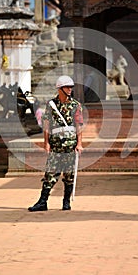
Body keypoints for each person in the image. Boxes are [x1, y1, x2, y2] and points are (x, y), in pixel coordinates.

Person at [28, 75, 83, 212]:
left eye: (71, 87)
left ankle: (66, 202)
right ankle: (43, 201)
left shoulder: (75, 105)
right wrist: (46, 143)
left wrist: (79, 143)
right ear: (60, 88)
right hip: (56, 145)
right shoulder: (51, 105)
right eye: (67, 87)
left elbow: (79, 125)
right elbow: (46, 125)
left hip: (70, 145)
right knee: (50, 174)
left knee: (69, 175)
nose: (70, 89)